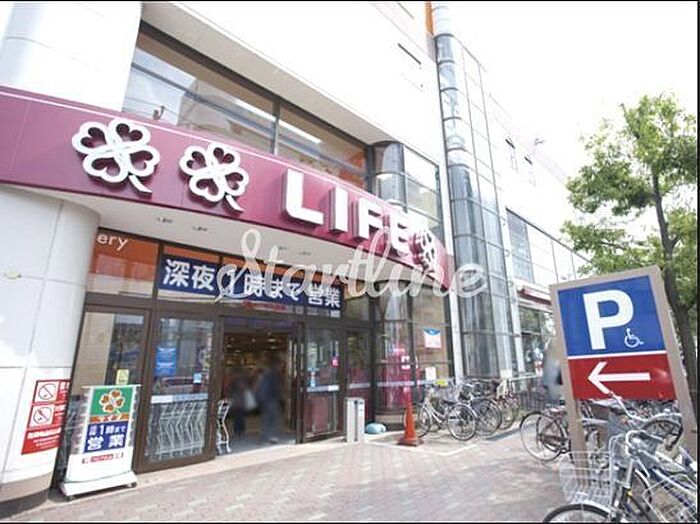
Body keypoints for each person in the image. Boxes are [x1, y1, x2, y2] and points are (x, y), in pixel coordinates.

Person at [255, 357, 281, 444]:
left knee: (267, 418)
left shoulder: (265, 374)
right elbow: (275, 388)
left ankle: (266, 437)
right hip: (271, 399)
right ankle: (269, 437)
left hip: (265, 399)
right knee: (272, 418)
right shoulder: (273, 374)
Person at [227, 369, 248, 438]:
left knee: (237, 417)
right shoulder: (241, 382)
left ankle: (238, 431)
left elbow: (229, 390)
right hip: (240, 402)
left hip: (236, 402)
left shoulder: (233, 383)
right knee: (240, 417)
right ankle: (241, 431)